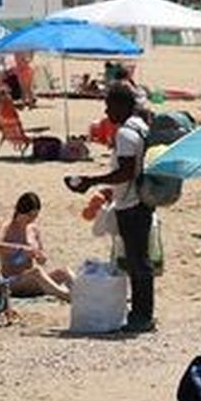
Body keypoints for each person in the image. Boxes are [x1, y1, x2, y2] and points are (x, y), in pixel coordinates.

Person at [66, 83, 154, 332]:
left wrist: (90, 181)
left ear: (122, 105)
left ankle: (141, 316)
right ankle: (142, 314)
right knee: (140, 260)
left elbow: (126, 171)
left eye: (109, 106)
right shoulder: (141, 126)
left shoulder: (126, 133)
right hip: (140, 200)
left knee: (137, 261)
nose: (106, 111)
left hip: (131, 204)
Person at [0, 192, 72, 301]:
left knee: (64, 271)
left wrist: (41, 257)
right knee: (36, 272)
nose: (32, 219)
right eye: (29, 216)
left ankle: (84, 291)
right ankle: (65, 295)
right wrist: (21, 250)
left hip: (32, 280)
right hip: (12, 281)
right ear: (20, 212)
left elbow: (42, 257)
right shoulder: (6, 227)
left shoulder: (34, 229)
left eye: (35, 216)